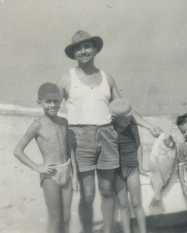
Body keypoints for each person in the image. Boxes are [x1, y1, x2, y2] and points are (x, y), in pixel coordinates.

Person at [60, 30, 161, 233]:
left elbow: (125, 108)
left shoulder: (108, 78)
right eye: (79, 48)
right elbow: (53, 110)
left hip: (107, 136)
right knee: (87, 194)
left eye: (87, 46)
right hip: (80, 138)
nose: (84, 51)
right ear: (74, 54)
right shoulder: (66, 78)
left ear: (95, 49)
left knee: (107, 190)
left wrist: (148, 125)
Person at [14, 82, 78, 233]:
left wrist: (74, 176)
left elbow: (71, 150)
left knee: (67, 217)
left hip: (66, 171)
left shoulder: (64, 122)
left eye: (56, 101)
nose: (52, 105)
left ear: (61, 102)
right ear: (40, 102)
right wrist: (37, 167)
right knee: (55, 218)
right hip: (50, 175)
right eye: (48, 101)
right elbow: (17, 151)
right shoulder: (38, 125)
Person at [110, 99, 147, 233]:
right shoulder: (109, 128)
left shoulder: (132, 125)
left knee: (137, 203)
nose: (129, 120)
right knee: (123, 205)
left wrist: (141, 166)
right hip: (116, 170)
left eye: (129, 117)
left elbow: (138, 146)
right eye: (125, 119)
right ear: (116, 119)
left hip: (132, 167)